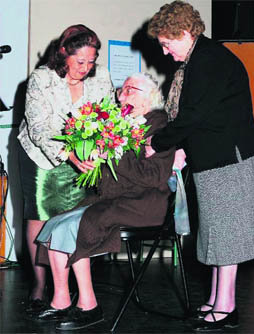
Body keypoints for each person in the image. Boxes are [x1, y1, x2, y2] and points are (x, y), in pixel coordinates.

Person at [145, 1, 254, 332]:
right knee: (217, 232)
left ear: (186, 33)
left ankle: (226, 307)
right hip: (217, 157)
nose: (164, 52)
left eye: (167, 42)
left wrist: (158, 143)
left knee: (227, 234)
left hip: (228, 160)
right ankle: (215, 301)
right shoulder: (202, 58)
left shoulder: (208, 60)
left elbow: (193, 116)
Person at [27, 72, 176, 330]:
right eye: (124, 89)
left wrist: (112, 152)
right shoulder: (119, 122)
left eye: (132, 90)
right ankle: (60, 300)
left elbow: (154, 177)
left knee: (83, 223)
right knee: (55, 223)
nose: (124, 94)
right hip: (114, 198)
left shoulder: (158, 125)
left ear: (149, 98)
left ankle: (89, 305)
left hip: (145, 202)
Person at [17, 24, 115, 313]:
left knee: (74, 218)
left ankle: (67, 287)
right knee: (40, 215)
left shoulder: (102, 78)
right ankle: (38, 284)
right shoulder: (41, 79)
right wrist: (70, 156)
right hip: (41, 157)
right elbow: (39, 128)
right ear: (63, 54)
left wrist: (99, 151)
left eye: (91, 62)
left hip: (84, 157)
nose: (86, 68)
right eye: (79, 61)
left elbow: (107, 120)